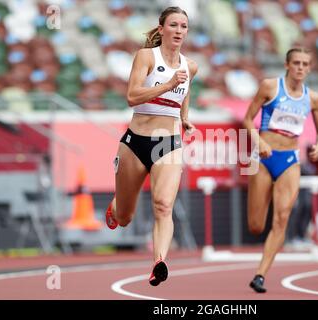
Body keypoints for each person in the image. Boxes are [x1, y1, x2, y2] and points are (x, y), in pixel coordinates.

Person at [104, 6, 198, 286]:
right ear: (161, 29)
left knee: (163, 205)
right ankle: (116, 206)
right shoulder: (146, 57)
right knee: (124, 218)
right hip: (135, 142)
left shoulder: (190, 66)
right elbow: (132, 96)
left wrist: (185, 119)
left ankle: (159, 262)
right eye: (174, 25)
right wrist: (168, 84)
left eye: (184, 26)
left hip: (168, 143)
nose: (179, 31)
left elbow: (186, 90)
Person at [242, 47, 318, 293]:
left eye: (305, 64)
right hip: (264, 158)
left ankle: (260, 275)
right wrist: (259, 142)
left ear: (310, 68)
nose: (301, 67)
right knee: (256, 225)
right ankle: (262, 226)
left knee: (281, 219)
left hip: (290, 160)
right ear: (287, 65)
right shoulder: (270, 87)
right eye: (297, 63)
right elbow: (248, 119)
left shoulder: (313, 98)